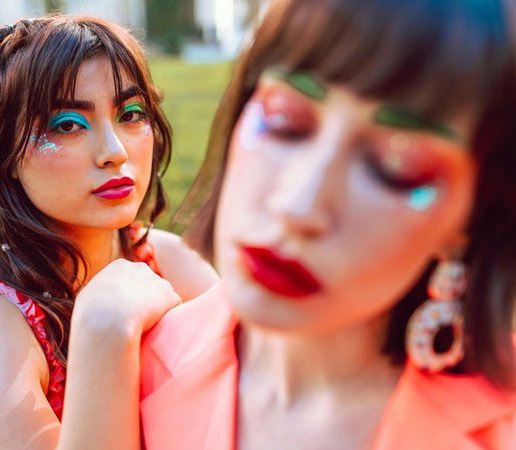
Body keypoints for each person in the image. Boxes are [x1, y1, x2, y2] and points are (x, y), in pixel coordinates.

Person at [133, 0, 516, 448]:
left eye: (396, 165)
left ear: (474, 215)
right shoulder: (132, 368)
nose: (298, 205)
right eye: (284, 120)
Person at [0, 15, 217, 450]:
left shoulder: (170, 261)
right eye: (67, 124)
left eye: (131, 114)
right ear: (5, 153)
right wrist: (105, 331)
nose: (115, 152)